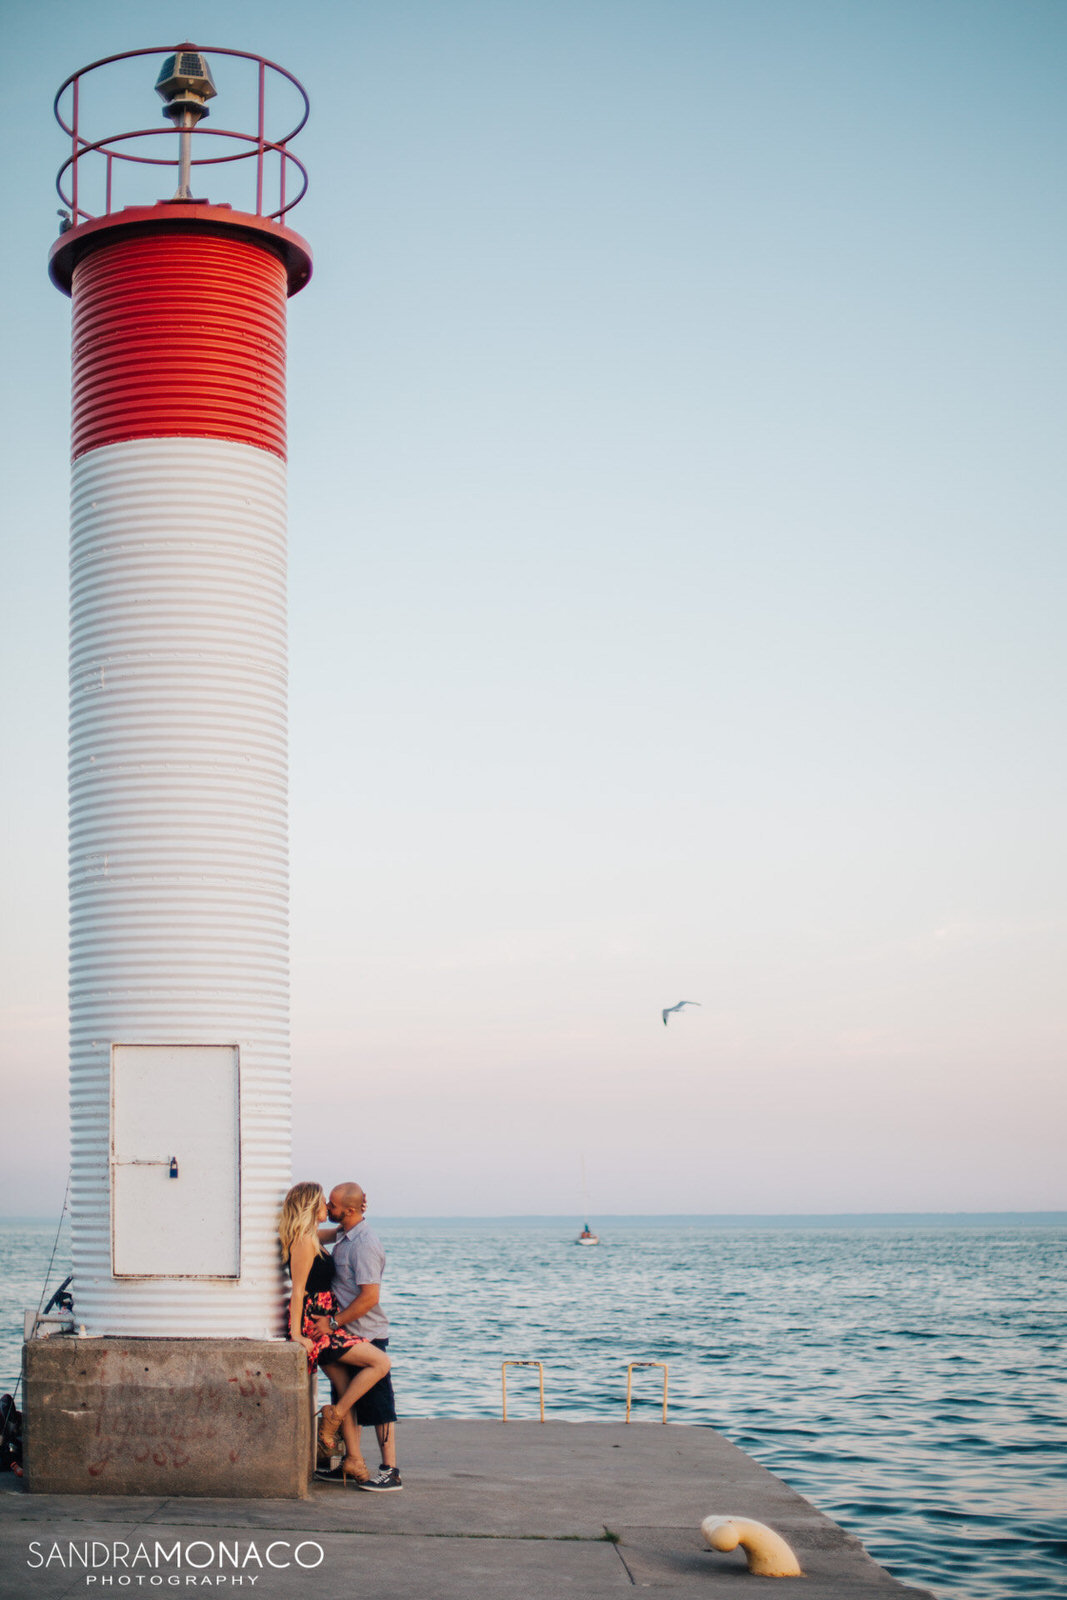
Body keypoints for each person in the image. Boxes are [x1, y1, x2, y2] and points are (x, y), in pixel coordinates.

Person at [278, 1182, 392, 1485]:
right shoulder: (303, 1242)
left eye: (331, 1204)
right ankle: (334, 1417)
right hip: (318, 1326)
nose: (327, 1208)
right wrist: (296, 1334)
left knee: (345, 1389)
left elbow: (345, 1231)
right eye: (323, 1203)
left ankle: (354, 1460)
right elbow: (298, 1290)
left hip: (324, 1321)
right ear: (311, 1206)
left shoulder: (312, 1236)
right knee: (381, 1363)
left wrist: (355, 1214)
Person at [311, 1181, 402, 1492]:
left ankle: (390, 1470)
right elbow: (313, 1235)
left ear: (348, 1211)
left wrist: (333, 1323)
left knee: (379, 1406)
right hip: (346, 1334)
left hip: (366, 1333)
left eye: (332, 1207)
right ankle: (351, 1463)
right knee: (344, 1398)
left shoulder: (364, 1244)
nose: (329, 1210)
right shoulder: (345, 1235)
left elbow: (369, 1298)